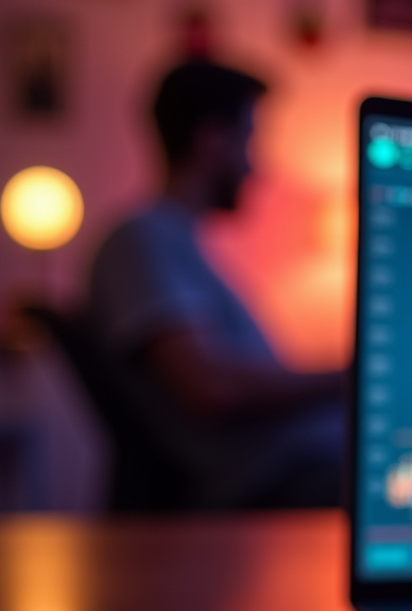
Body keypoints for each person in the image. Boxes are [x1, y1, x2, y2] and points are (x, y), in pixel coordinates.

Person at [88, 60, 345, 510]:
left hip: (305, 466)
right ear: (211, 140)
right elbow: (210, 388)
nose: (255, 167)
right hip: (272, 484)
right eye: (249, 139)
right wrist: (349, 378)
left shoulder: (181, 245)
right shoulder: (140, 239)